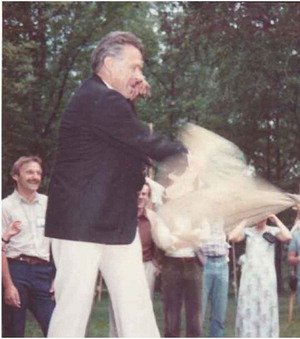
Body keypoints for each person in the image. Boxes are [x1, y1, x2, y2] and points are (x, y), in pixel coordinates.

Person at [44, 31, 187, 337]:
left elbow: (126, 140)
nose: (140, 75)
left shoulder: (108, 101)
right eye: (134, 67)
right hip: (80, 225)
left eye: (141, 68)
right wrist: (185, 154)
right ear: (109, 64)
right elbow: (140, 139)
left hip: (115, 223)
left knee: (136, 308)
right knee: (73, 311)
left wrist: (130, 99)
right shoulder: (98, 97)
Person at [2, 156, 55, 337]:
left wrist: (58, 276)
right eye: (30, 172)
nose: (35, 176)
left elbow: (59, 244)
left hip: (43, 273)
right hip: (16, 271)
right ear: (16, 176)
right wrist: (8, 285)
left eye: (38, 173)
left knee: (55, 328)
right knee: (14, 332)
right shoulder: (5, 207)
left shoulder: (49, 205)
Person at [108, 182, 160, 336]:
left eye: (144, 194)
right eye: (138, 193)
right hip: (123, 267)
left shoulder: (152, 218)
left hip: (146, 267)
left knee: (142, 308)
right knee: (118, 306)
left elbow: (160, 241)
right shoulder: (121, 215)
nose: (140, 197)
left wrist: (157, 264)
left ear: (148, 197)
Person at [229, 215, 291, 337]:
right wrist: (245, 220)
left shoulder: (272, 231)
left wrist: (276, 219)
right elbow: (232, 237)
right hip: (250, 277)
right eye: (259, 216)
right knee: (249, 307)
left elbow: (288, 236)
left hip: (266, 277)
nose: (260, 219)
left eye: (263, 216)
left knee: (265, 307)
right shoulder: (248, 232)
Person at [200, 218, 230, 337]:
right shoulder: (200, 212)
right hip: (204, 264)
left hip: (222, 264)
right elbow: (192, 239)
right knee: (198, 313)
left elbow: (226, 235)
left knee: (219, 313)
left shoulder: (223, 213)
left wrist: (226, 254)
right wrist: (201, 260)